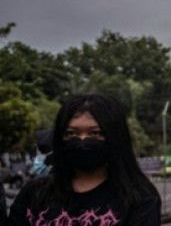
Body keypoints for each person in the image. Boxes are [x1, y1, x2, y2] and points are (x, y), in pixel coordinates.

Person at [7, 93, 161, 225]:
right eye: (71, 133)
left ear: (115, 138)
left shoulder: (140, 198)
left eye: (95, 133)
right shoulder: (34, 193)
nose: (82, 141)